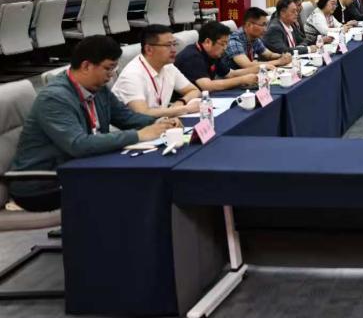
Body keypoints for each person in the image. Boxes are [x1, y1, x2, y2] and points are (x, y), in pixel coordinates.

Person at [9, 36, 180, 212]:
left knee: (146, 179)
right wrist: (138, 135)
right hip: (42, 184)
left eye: (114, 68)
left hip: (82, 166)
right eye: (108, 68)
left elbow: (126, 118)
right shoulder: (54, 98)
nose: (111, 74)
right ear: (86, 66)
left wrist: (160, 123)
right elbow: (78, 144)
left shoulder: (98, 88)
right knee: (136, 186)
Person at [112, 25, 201, 117]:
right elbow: (142, 113)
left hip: (161, 121)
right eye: (168, 45)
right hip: (138, 125)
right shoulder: (132, 75)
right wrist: (184, 109)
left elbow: (194, 90)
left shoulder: (168, 66)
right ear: (149, 49)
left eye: (174, 44)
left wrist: (181, 102)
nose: (174, 50)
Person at [174, 21, 259, 92]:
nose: (225, 48)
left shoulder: (212, 54)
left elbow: (230, 74)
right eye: (222, 44)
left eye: (226, 44)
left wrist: (259, 69)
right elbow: (208, 86)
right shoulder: (192, 57)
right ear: (208, 42)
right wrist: (242, 80)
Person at [225, 7, 293, 70]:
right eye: (263, 25)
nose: (265, 29)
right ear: (249, 25)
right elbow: (247, 65)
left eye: (266, 25)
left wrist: (283, 56)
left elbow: (269, 55)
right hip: (234, 77)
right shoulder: (235, 40)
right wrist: (279, 62)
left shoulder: (254, 38)